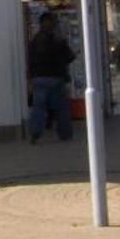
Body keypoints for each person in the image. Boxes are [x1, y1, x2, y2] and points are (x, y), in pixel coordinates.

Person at [26, 12, 76, 144]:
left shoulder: (35, 41)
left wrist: (30, 78)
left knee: (38, 107)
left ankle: (35, 133)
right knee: (62, 107)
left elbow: (30, 61)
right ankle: (65, 133)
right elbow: (70, 57)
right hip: (56, 78)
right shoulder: (58, 40)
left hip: (39, 78)